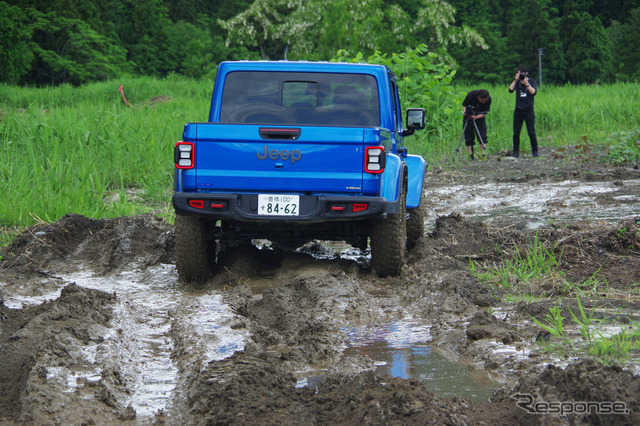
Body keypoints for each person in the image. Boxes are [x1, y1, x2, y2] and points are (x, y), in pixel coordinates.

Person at [509, 65, 538, 158]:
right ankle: (516, 151)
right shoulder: (517, 82)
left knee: (531, 131)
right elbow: (510, 90)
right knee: (516, 132)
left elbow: (533, 92)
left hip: (528, 109)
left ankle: (535, 151)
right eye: (518, 73)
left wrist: (526, 83)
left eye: (521, 73)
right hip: (518, 109)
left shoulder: (532, 81)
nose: (520, 75)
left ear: (526, 74)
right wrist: (516, 80)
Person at [462, 89, 491, 160]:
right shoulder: (471, 95)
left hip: (480, 116)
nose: (483, 102)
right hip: (468, 117)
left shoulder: (489, 99)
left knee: (482, 135)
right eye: (481, 100)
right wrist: (466, 112)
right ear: (478, 97)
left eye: (485, 100)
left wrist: (476, 117)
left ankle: (483, 153)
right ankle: (470, 154)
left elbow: (485, 113)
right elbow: (464, 105)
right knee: (468, 135)